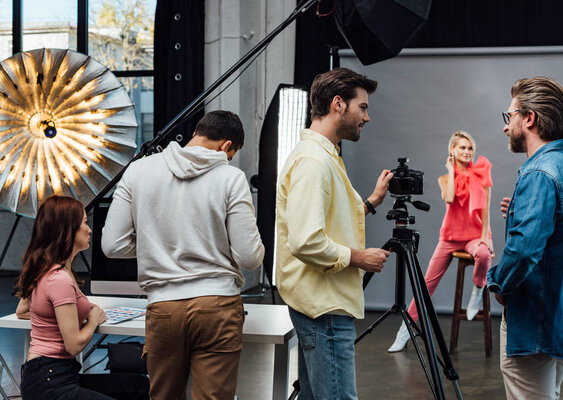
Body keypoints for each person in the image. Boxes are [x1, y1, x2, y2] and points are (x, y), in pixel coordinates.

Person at [101, 110, 265, 400]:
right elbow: (249, 257)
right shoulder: (231, 177)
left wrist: (155, 243)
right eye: (231, 155)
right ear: (227, 146)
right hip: (218, 306)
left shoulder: (138, 171)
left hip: (163, 308)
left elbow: (112, 245)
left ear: (196, 133)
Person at [276, 67, 393, 399]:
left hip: (322, 303)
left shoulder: (323, 156)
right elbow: (305, 240)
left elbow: (328, 220)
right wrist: (359, 257)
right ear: (338, 104)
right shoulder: (315, 162)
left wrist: (370, 202)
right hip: (325, 308)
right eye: (363, 107)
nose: (367, 117)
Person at [487, 76, 563, 399]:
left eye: (510, 117)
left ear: (530, 118)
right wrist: (522, 212)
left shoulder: (539, 174)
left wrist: (500, 282)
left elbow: (523, 251)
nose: (506, 126)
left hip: (535, 315)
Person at [14, 195, 149, 400]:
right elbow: (74, 345)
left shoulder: (46, 270)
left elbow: (23, 311)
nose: (90, 229)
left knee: (139, 385)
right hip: (49, 382)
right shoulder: (59, 279)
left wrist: (64, 315)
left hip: (53, 374)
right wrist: (92, 320)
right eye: (85, 223)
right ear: (68, 230)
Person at [388, 130, 493, 352]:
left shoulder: (482, 174)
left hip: (475, 236)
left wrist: (485, 237)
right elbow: (449, 198)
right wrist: (451, 171)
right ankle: (405, 331)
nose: (467, 151)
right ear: (452, 151)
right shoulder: (445, 178)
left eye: (470, 147)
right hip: (450, 237)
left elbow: (486, 211)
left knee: (484, 255)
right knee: (426, 285)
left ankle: (477, 290)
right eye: (462, 147)